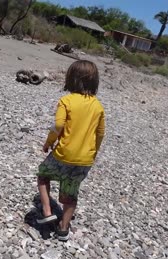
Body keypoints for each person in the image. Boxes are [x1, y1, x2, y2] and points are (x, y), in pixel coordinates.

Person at [36, 60, 105, 241]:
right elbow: (100, 134)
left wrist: (48, 142)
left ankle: (47, 211)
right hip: (84, 160)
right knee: (71, 192)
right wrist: (93, 153)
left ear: (71, 79)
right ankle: (63, 229)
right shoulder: (98, 106)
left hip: (64, 154)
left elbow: (58, 124)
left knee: (43, 175)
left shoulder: (66, 100)